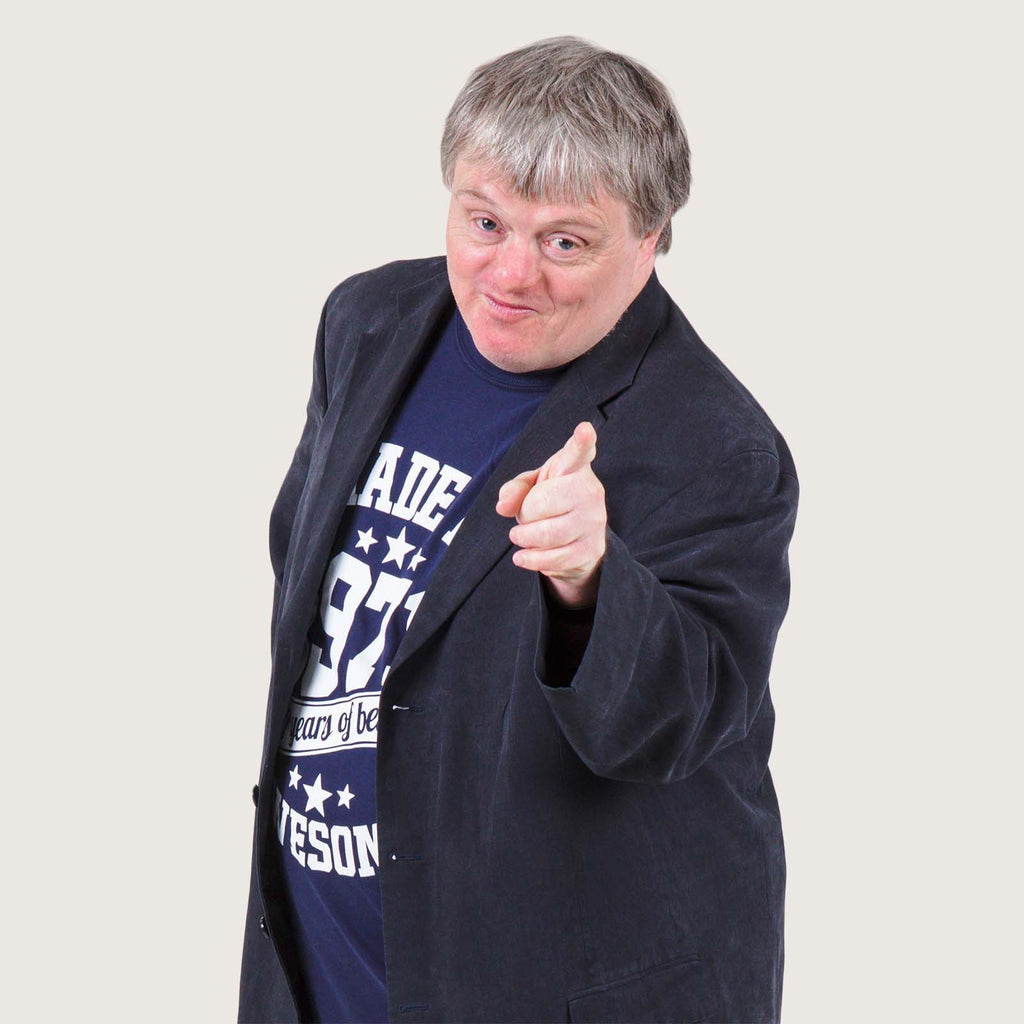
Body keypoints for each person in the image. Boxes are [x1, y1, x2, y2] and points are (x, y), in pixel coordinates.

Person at [238, 36, 798, 1024]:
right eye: (484, 219)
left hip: (541, 982)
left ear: (652, 235)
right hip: (326, 953)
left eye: (566, 242)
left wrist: (590, 581)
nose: (510, 273)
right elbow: (308, 566)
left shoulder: (714, 443)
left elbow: (678, 719)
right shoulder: (369, 320)